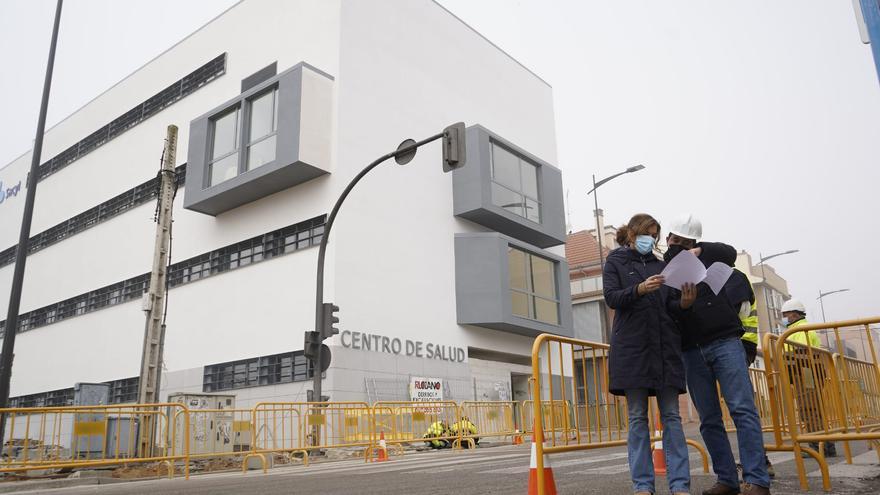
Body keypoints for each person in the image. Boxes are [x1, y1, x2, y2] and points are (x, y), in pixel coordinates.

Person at [665, 214, 771, 495]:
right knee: (709, 419)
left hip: (725, 341)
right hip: (691, 350)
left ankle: (757, 480)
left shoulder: (710, 257)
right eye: (675, 240)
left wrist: (699, 251)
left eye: (686, 241)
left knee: (742, 409)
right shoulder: (663, 270)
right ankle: (727, 479)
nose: (679, 245)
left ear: (693, 241)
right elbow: (667, 309)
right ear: (668, 239)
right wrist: (683, 306)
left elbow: (729, 252)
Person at [604, 213, 690, 495]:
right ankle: (642, 486)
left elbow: (672, 307)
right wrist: (639, 289)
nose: (650, 239)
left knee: (672, 418)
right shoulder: (615, 261)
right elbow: (612, 297)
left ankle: (679, 486)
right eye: (646, 233)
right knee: (638, 416)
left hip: (664, 348)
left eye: (654, 235)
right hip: (632, 349)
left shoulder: (663, 265)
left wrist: (684, 303)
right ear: (632, 234)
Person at [726, 268, 775, 477]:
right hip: (738, 347)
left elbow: (740, 315)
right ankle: (758, 461)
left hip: (738, 347)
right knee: (741, 407)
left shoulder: (734, 278)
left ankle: (758, 463)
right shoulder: (733, 277)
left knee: (741, 407)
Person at [780, 299, 836, 458]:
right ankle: (826, 446)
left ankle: (818, 446)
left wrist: (782, 358)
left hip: (805, 373)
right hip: (807, 373)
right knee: (814, 409)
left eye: (786, 315)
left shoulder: (800, 330)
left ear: (794, 313)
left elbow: (800, 354)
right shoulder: (798, 329)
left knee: (810, 409)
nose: (785, 318)